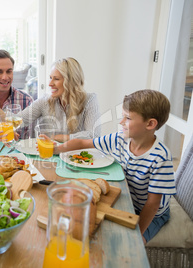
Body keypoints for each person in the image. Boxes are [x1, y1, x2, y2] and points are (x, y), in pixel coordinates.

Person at [52, 89, 176, 244]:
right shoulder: (119, 139)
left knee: (135, 243)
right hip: (128, 200)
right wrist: (56, 149)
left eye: (128, 118)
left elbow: (153, 204)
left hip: (154, 214)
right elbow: (83, 143)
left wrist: (138, 232)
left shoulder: (161, 157)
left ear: (150, 124)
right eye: (122, 116)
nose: (121, 122)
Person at [0, 57, 100, 142]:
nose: (50, 84)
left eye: (56, 79)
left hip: (78, 159)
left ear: (71, 82)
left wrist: (57, 137)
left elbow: (94, 136)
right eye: (50, 78)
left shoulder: (89, 100)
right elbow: (19, 120)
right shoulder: (45, 101)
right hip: (50, 157)